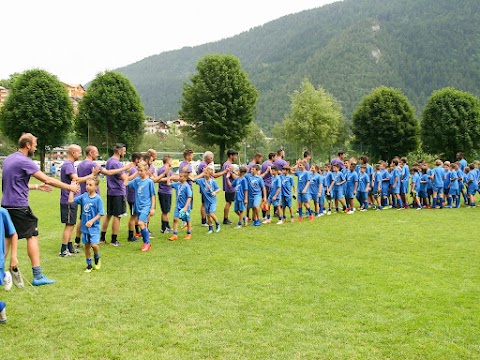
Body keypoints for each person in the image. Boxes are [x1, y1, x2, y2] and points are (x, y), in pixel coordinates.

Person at [1, 133, 79, 285]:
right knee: (32, 235)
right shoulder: (25, 161)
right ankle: (38, 275)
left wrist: (36, 187)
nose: (36, 146)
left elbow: (15, 184)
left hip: (5, 205)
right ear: (28, 145)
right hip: (19, 206)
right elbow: (47, 179)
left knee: (7, 238)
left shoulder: (10, 159)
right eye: (35, 144)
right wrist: (70, 186)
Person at [74, 145, 131, 247]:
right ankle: (93, 241)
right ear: (91, 153)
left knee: (83, 218)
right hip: (94, 196)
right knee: (94, 220)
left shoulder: (80, 165)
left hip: (83, 195)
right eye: (96, 152)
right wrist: (125, 168)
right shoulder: (94, 165)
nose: (98, 154)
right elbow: (108, 172)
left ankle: (77, 241)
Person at [59, 144, 100, 257]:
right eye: (79, 152)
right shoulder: (68, 165)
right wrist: (92, 175)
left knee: (72, 224)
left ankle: (70, 247)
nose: (81, 154)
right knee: (69, 225)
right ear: (73, 153)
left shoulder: (71, 165)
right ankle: (63, 250)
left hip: (72, 199)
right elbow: (76, 180)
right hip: (68, 199)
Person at [69, 178, 104, 272]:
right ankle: (89, 265)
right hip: (85, 228)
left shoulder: (98, 199)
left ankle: (97, 257)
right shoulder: (84, 196)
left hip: (94, 228)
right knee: (87, 246)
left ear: (96, 187)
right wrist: (72, 189)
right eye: (87, 184)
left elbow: (100, 213)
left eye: (90, 185)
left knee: (94, 245)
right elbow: (71, 201)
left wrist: (92, 221)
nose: (88, 186)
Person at [100, 144, 129, 246]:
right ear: (119, 151)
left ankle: (102, 238)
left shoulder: (109, 161)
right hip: (118, 192)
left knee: (108, 215)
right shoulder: (116, 163)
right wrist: (129, 171)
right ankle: (114, 240)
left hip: (110, 192)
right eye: (124, 151)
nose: (124, 153)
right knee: (117, 216)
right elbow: (124, 178)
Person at [125, 161, 156, 252]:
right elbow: (125, 183)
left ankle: (146, 243)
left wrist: (152, 208)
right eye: (138, 170)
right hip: (137, 206)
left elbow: (153, 196)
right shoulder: (136, 180)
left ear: (146, 170)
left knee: (140, 223)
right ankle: (147, 243)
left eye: (141, 170)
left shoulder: (150, 182)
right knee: (144, 225)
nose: (139, 172)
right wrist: (127, 172)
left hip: (146, 206)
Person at [195, 166, 221, 234]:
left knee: (211, 213)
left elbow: (218, 189)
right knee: (208, 215)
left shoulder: (213, 182)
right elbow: (194, 179)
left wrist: (215, 192)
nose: (204, 174)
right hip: (206, 201)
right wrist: (187, 175)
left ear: (210, 175)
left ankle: (217, 224)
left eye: (206, 173)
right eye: (204, 173)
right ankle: (210, 228)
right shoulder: (202, 181)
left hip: (212, 200)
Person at [167, 171, 193, 241]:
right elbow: (168, 184)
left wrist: (185, 207)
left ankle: (189, 234)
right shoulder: (177, 184)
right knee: (175, 219)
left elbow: (189, 197)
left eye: (181, 176)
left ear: (185, 178)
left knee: (187, 220)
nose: (179, 177)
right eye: (179, 176)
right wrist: (168, 175)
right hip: (177, 206)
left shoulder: (187, 186)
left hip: (185, 206)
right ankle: (175, 235)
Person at [126, 152, 142, 242]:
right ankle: (130, 236)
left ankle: (135, 233)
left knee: (135, 215)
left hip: (135, 196)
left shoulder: (134, 168)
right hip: (132, 197)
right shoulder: (133, 169)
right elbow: (128, 180)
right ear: (137, 160)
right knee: (133, 216)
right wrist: (137, 172)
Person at [156, 155, 174, 234]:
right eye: (171, 160)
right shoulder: (165, 170)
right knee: (165, 211)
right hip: (165, 192)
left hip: (164, 191)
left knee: (166, 210)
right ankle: (163, 228)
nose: (172, 162)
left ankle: (167, 226)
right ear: (168, 161)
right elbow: (160, 179)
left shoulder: (160, 169)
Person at [222, 149, 238, 225]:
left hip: (228, 187)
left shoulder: (226, 164)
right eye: (235, 155)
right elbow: (234, 176)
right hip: (231, 187)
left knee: (229, 202)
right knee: (229, 203)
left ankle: (226, 219)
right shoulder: (228, 165)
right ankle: (226, 219)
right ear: (231, 156)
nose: (236, 157)